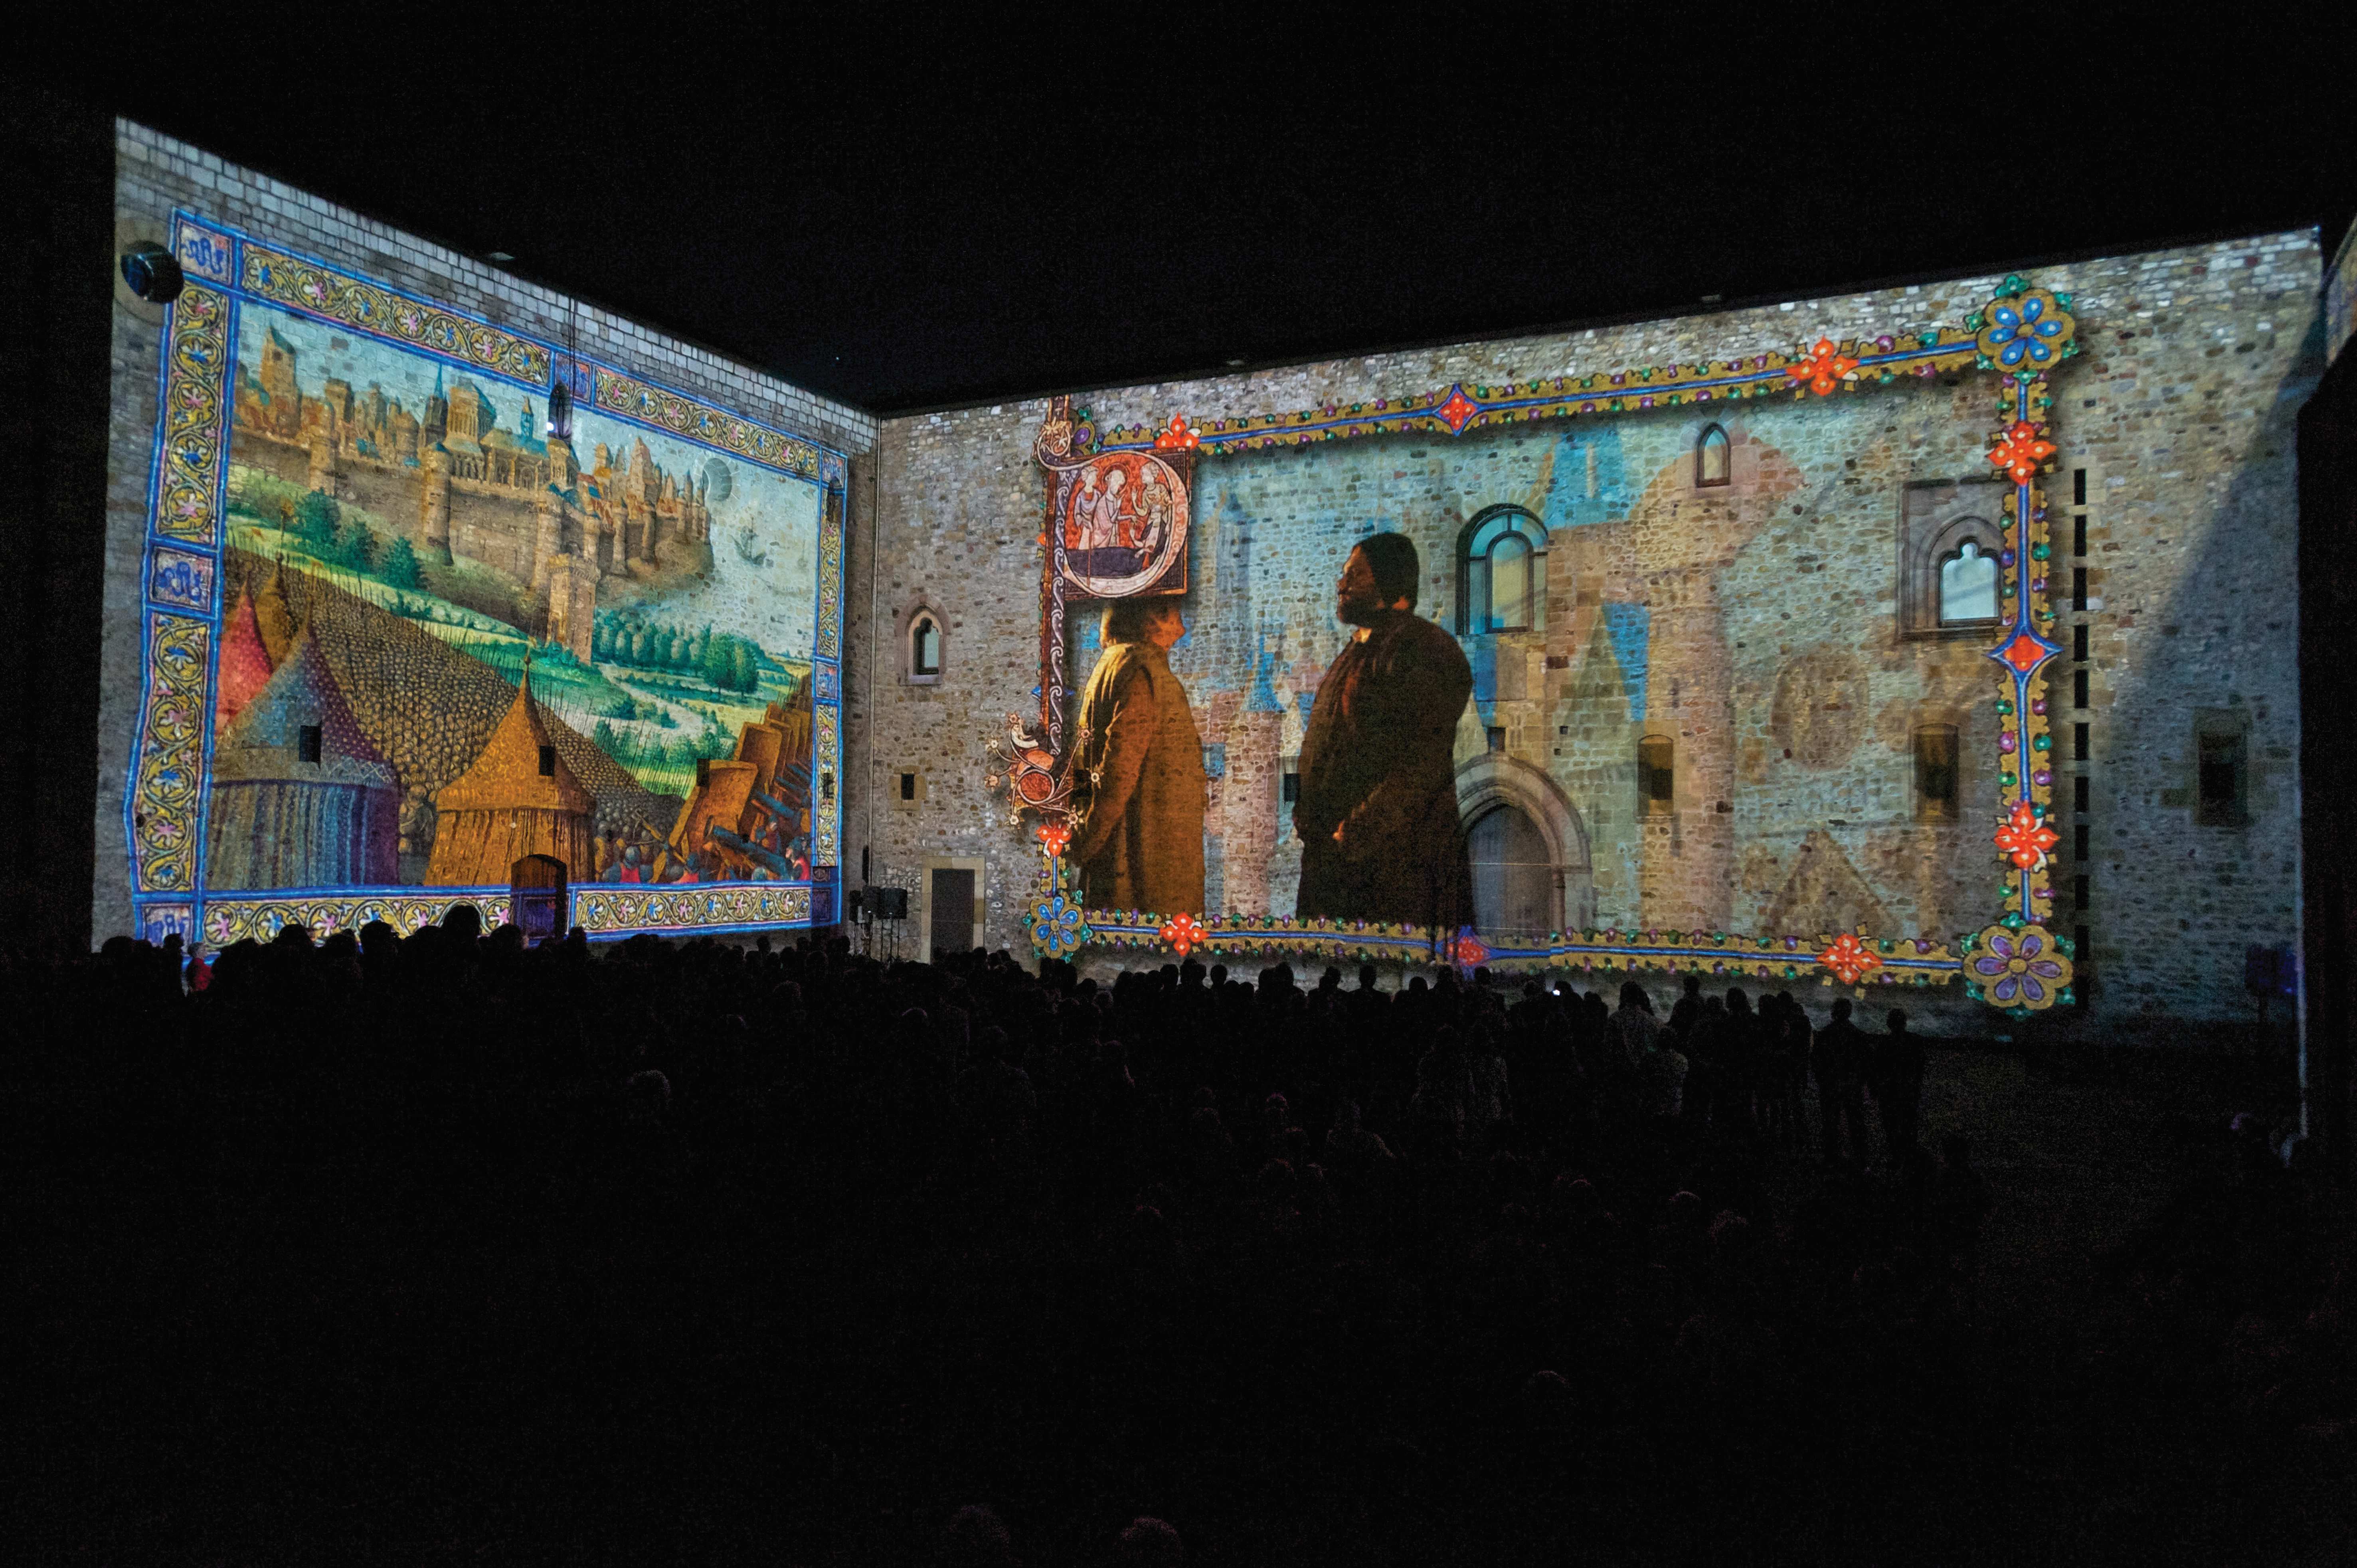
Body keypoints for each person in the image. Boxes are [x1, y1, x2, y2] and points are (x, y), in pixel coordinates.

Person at [1294, 532, 1475, 930]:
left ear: (1389, 581)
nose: (1341, 585)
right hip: (1335, 867)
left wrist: (1358, 831)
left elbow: (1421, 764)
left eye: (1354, 575)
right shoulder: (1358, 649)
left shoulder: (1423, 648)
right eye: (1344, 574)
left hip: (1389, 870)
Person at [1070, 597, 1206, 915]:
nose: (1181, 626)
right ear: (1154, 617)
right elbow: (1118, 773)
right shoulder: (1140, 669)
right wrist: (1086, 843)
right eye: (1174, 612)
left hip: (1128, 853)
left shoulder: (1119, 663)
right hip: (1141, 864)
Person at [1812, 995, 1871, 1165]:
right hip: (1852, 1086)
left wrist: (1822, 1081)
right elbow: (1865, 1063)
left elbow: (1817, 1061)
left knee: (1830, 1122)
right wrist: (1860, 1082)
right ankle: (1860, 1158)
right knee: (1856, 1122)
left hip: (1830, 1085)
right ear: (1850, 1013)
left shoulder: (1825, 1035)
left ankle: (1831, 1156)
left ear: (1834, 1012)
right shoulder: (1858, 1035)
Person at [1870, 1006, 1927, 1155]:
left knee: (1891, 1127)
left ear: (1889, 1024)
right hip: (1909, 1092)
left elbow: (1876, 1069)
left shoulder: (1883, 1044)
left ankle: (1895, 1155)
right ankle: (1910, 1156)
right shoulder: (1916, 1042)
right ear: (1905, 1023)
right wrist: (1916, 1086)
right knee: (1909, 1125)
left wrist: (1875, 1089)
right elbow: (1920, 1068)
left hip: (1889, 1093)